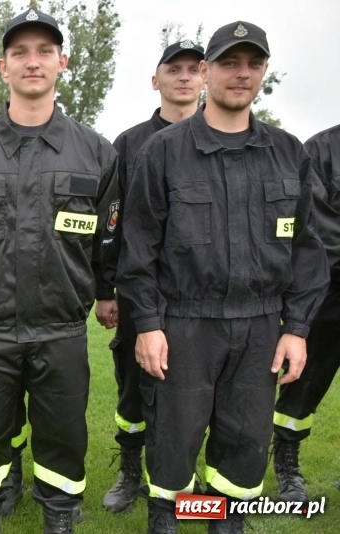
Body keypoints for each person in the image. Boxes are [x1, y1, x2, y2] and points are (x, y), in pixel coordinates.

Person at [116, 21, 329, 533]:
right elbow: (138, 247)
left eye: (253, 64)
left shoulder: (287, 152)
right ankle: (165, 522)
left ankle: (224, 523)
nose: (242, 74)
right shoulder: (164, 150)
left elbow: (306, 250)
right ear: (208, 71)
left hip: (260, 328)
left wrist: (297, 329)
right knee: (173, 444)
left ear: (263, 73)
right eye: (231, 63)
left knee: (243, 451)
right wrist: (147, 324)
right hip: (186, 326)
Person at [0, 9, 120, 533]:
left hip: (60, 328)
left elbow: (106, 240)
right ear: (3, 66)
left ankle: (59, 515)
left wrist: (95, 291)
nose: (32, 62)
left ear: (63, 62)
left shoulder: (96, 152)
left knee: (63, 435)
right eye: (20, 52)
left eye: (44, 52)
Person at [96, 40, 205, 514]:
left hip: (202, 300)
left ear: (204, 77)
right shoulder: (130, 143)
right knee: (133, 388)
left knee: (195, 394)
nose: (182, 77)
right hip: (142, 295)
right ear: (155, 80)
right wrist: (105, 290)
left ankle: (184, 473)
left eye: (191, 70)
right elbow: (111, 224)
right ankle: (129, 470)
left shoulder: (219, 139)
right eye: (172, 69)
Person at [271, 123, 340, 503]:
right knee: (304, 384)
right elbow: (319, 228)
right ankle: (288, 466)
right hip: (329, 294)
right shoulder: (322, 149)